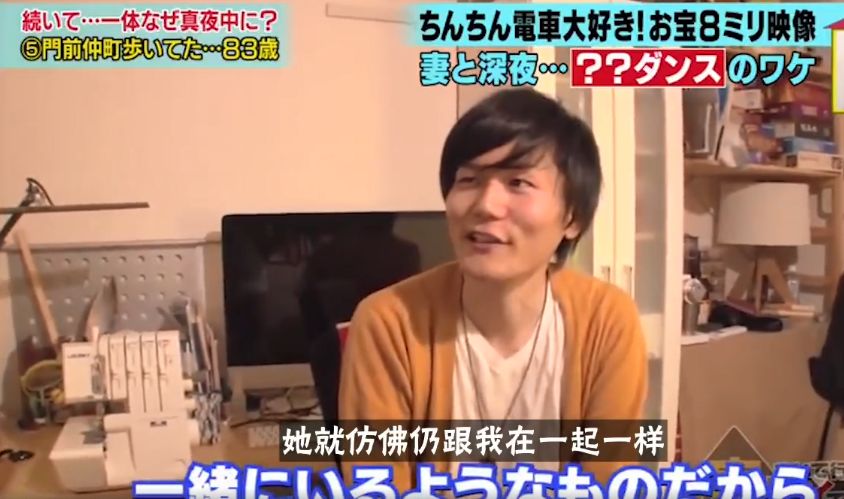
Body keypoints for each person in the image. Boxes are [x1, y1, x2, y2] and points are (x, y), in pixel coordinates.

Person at [338, 88, 648, 491]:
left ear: (571, 217)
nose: (486, 204)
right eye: (469, 180)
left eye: (518, 182)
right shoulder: (389, 322)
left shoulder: (606, 320)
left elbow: (610, 481)